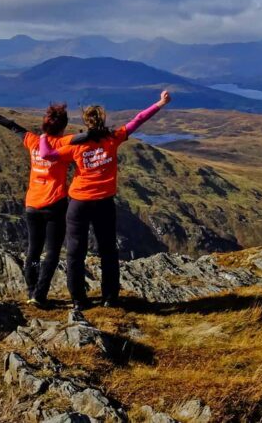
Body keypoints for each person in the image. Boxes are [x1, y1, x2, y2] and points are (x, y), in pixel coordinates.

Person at [38, 90, 171, 311]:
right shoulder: (113, 138)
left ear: (86, 122)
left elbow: (46, 155)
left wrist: (43, 135)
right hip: (104, 203)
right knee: (108, 250)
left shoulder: (76, 145)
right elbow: (138, 120)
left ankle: (79, 300)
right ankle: (110, 297)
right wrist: (160, 103)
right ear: (103, 120)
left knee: (75, 252)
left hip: (79, 203)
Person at [0, 101, 74, 308]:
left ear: (44, 126)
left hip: (32, 205)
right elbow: (87, 140)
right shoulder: (66, 145)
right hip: (55, 205)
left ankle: (30, 290)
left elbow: (12, 126)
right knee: (52, 251)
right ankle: (40, 294)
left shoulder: (34, 141)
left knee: (33, 250)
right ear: (63, 127)